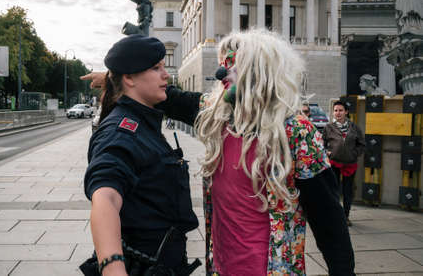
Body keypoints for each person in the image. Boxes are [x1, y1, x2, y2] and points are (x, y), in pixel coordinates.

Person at [82, 29, 355, 275]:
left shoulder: (296, 132)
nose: (222, 73)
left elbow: (328, 218)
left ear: (258, 72)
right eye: (222, 64)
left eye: (232, 64)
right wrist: (115, 78)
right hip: (221, 267)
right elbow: (168, 97)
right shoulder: (219, 116)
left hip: (272, 269)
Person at [82, 34, 202, 276]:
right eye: (156, 68)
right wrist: (113, 267)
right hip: (144, 265)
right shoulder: (121, 131)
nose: (166, 74)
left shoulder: (142, 118)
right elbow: (106, 197)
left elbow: (182, 102)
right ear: (129, 78)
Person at [323, 101, 365, 227]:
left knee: (347, 192)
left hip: (350, 164)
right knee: (334, 191)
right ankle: (335, 216)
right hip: (334, 163)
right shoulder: (328, 127)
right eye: (335, 110)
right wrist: (327, 152)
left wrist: (354, 153)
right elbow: (321, 144)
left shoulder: (354, 128)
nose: (338, 113)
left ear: (346, 112)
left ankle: (345, 216)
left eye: (341, 110)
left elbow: (362, 144)